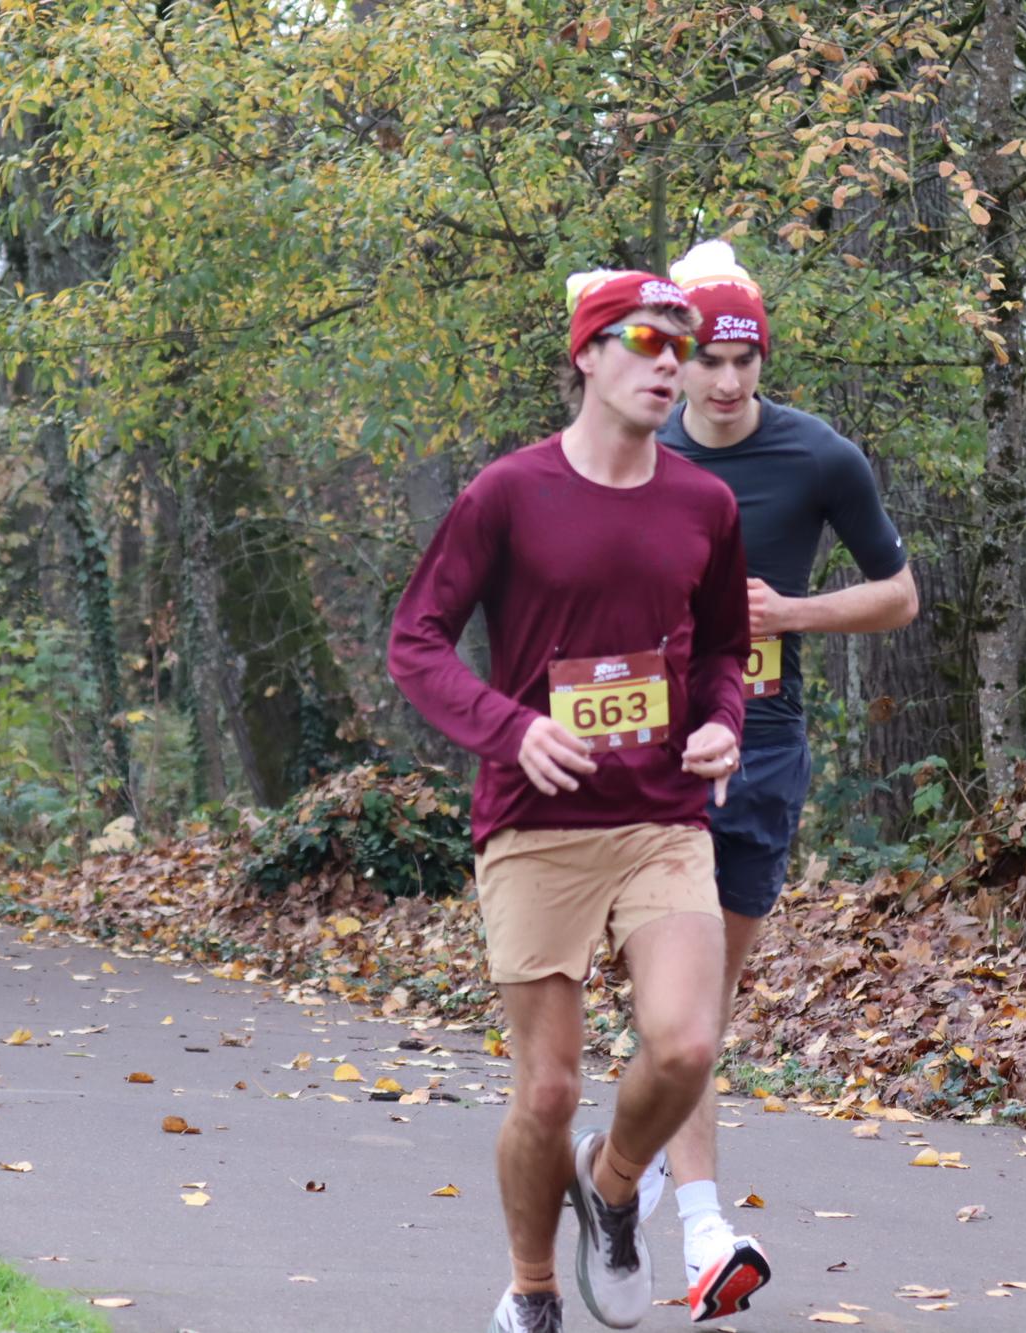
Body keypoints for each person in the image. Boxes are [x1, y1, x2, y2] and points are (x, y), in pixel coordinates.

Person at [388, 269, 750, 1333]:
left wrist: (722, 720)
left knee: (684, 1046)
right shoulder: (508, 492)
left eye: (680, 346)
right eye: (644, 341)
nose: (669, 363)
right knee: (545, 1089)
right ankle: (533, 1289)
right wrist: (511, 727)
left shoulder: (704, 503)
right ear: (586, 355)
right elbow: (415, 640)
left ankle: (613, 1180)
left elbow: (723, 650)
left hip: (661, 816)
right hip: (536, 823)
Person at [645, 240, 918, 1321]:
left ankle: (628, 1165)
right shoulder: (636, 445)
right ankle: (700, 1226)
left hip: (760, 744)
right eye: (706, 360)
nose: (723, 382)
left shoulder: (819, 457)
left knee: (703, 1002)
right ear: (675, 357)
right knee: (676, 999)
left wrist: (791, 612)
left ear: (763, 358)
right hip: (651, 750)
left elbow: (898, 594)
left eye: (742, 360)